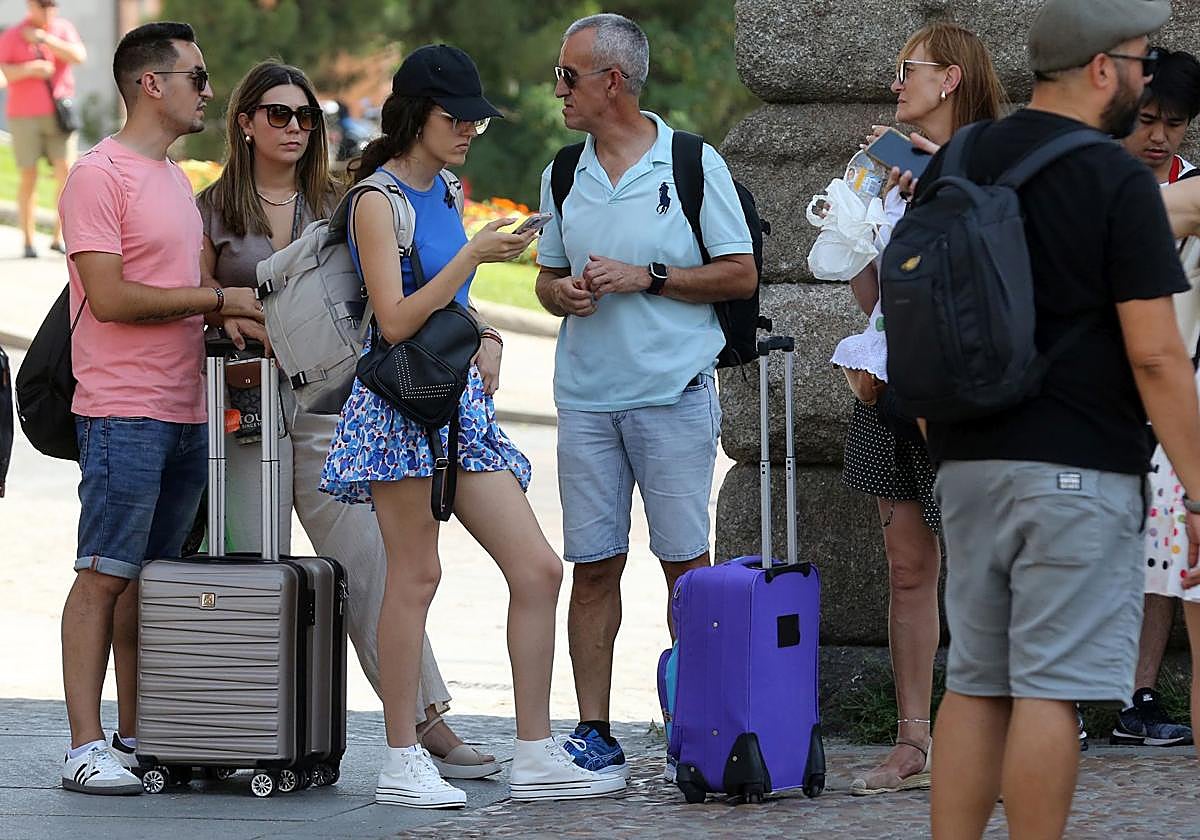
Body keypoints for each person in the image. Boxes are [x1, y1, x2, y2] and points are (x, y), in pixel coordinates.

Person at [916, 1, 1200, 837]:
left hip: (968, 460)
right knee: (1048, 688)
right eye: (1143, 63)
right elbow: (1154, 355)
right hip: (1078, 468)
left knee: (974, 681)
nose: (1148, 81)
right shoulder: (1114, 179)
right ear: (1105, 70)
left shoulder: (960, 156)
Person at [320, 44, 626, 808]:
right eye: (456, 118)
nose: (468, 131)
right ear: (415, 115)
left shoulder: (447, 190)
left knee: (539, 568)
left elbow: (448, 305)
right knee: (415, 577)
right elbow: (391, 320)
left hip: (457, 406)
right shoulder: (374, 200)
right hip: (397, 412)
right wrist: (477, 259)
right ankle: (401, 759)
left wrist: (485, 334)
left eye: (475, 121)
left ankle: (533, 749)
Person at [196, 60, 496, 779]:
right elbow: (198, 296)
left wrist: (486, 333)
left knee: (373, 564)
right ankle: (228, 729)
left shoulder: (344, 201)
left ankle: (426, 723)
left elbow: (410, 287)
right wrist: (232, 308)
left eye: (306, 117)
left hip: (337, 408)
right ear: (245, 122)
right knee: (235, 568)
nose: (295, 128)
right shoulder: (210, 208)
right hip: (244, 407)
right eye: (278, 114)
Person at [534, 13, 756, 776]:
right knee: (593, 566)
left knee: (684, 570)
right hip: (587, 401)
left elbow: (740, 272)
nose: (557, 87)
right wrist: (560, 292)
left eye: (567, 75)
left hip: (673, 396)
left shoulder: (692, 163)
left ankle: (695, 729)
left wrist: (648, 277)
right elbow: (544, 276)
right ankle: (594, 733)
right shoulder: (563, 171)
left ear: (613, 83)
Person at [56, 21, 263, 795]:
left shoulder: (174, 180)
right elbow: (108, 297)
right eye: (197, 77)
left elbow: (185, 297)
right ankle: (84, 745)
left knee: (149, 582)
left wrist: (233, 315)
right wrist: (215, 297)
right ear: (152, 84)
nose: (208, 90)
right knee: (104, 575)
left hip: (186, 409)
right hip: (122, 410)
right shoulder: (97, 175)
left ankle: (143, 737)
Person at [836, 22, 1005, 796]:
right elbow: (870, 296)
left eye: (910, 69)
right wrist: (857, 235)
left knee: (983, 570)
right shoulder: (879, 168)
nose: (896, 82)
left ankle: (997, 738)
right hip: (888, 388)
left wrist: (938, 182)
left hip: (965, 397)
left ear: (952, 80)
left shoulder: (996, 166)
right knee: (909, 570)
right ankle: (913, 743)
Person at [1115, 45, 1200, 749]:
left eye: (1174, 123)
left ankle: (1138, 693)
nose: (1160, 137)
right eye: (1147, 119)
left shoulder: (1193, 190)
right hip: (1104, 390)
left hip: (1177, 390)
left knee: (1168, 553)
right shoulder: (1095, 182)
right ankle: (1075, 694)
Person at [0, 0, 85, 258]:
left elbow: (79, 57)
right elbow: (3, 73)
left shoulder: (62, 29)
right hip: (24, 116)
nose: (49, 10)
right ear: (31, 7)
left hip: (59, 115)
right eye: (43, 5)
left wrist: (45, 39)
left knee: (66, 173)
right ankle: (28, 240)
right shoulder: (13, 34)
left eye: (52, 6)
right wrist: (30, 69)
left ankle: (58, 238)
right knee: (29, 175)